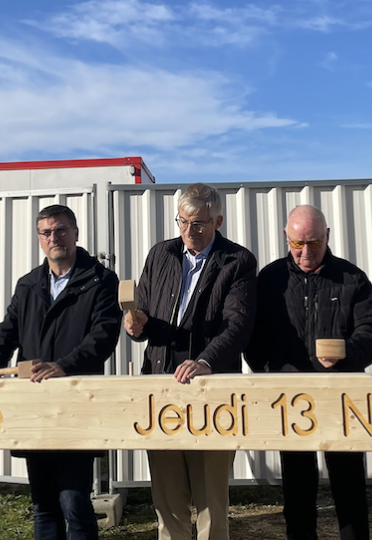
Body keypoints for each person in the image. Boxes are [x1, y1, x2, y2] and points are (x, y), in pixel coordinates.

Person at [0, 204, 121, 540]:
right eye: (47, 232)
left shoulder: (100, 280)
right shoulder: (29, 284)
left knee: (74, 500)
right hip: (33, 407)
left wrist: (63, 367)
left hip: (76, 404)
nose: (55, 237)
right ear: (40, 239)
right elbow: (7, 330)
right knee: (43, 505)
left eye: (62, 230)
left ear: (76, 233)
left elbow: (104, 335)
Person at [123, 182, 257, 540]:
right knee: (167, 504)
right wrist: (137, 326)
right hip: (162, 388)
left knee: (212, 504)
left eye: (198, 224)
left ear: (218, 221)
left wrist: (206, 361)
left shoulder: (237, 261)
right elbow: (147, 317)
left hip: (211, 393)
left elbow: (238, 325)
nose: (189, 231)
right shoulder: (160, 254)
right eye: (182, 222)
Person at [247, 205, 372, 540]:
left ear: (328, 237)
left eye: (314, 243)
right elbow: (253, 339)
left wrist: (345, 353)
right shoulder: (269, 280)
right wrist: (278, 367)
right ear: (286, 238)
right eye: (297, 244)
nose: (305, 251)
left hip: (341, 400)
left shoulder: (352, 279)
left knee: (350, 492)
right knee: (297, 494)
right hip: (291, 401)